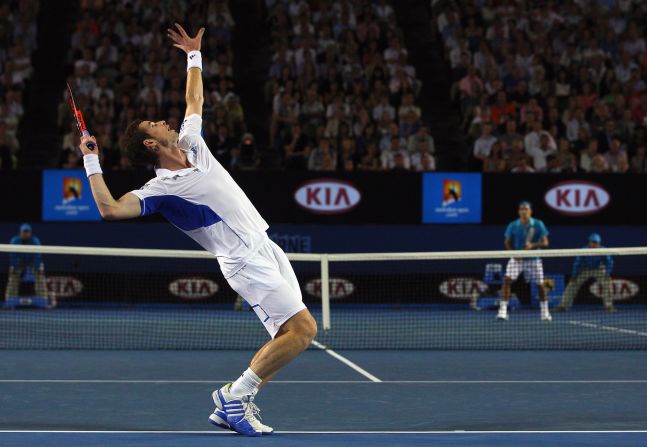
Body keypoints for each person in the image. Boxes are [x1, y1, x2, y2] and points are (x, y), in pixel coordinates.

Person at [77, 24, 317, 437]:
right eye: (155, 124)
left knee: (287, 334)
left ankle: (236, 403)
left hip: (265, 246)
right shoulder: (160, 190)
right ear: (151, 145)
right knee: (304, 330)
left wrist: (193, 55)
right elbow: (110, 210)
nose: (165, 121)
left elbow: (194, 99)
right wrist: (91, 161)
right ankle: (233, 397)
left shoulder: (192, 143)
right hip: (242, 261)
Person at [497, 202, 551, 321]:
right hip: (517, 258)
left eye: (526, 209)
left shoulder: (538, 224)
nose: (523, 211)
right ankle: (503, 311)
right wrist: (513, 253)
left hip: (534, 259)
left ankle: (545, 312)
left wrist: (533, 245)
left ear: (530, 211)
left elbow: (545, 242)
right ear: (518, 211)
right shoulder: (513, 225)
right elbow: (507, 242)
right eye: (521, 209)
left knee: (541, 285)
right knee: (507, 280)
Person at [554, 233, 615, 313]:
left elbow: (609, 263)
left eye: (596, 242)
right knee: (572, 284)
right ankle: (563, 306)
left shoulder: (603, 250)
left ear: (599, 243)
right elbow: (577, 263)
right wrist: (574, 276)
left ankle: (609, 306)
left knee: (607, 284)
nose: (594, 244)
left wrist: (608, 274)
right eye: (592, 242)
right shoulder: (584, 250)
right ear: (589, 242)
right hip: (585, 269)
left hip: (599, 269)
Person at [4, 224, 54, 308]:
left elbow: (37, 256)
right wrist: (15, 267)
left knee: (40, 277)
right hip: (19, 263)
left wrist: (37, 268)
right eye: (24, 232)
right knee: (12, 278)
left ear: (30, 233)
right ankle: (10, 300)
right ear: (20, 232)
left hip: (32, 262)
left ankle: (43, 300)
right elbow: (12, 256)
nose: (25, 234)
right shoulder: (14, 241)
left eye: (27, 232)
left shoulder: (35, 241)